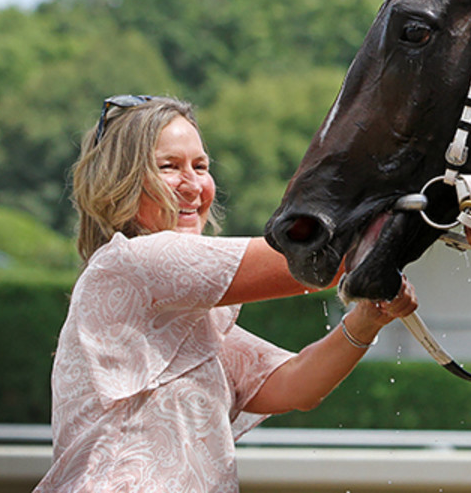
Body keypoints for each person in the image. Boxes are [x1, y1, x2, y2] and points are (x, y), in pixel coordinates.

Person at [35, 95, 417, 492]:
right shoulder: (136, 263)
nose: (193, 185)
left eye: (200, 167)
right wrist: (423, 203)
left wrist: (367, 320)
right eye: (169, 167)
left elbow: (296, 384)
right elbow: (310, 261)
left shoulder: (184, 310)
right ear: (121, 182)